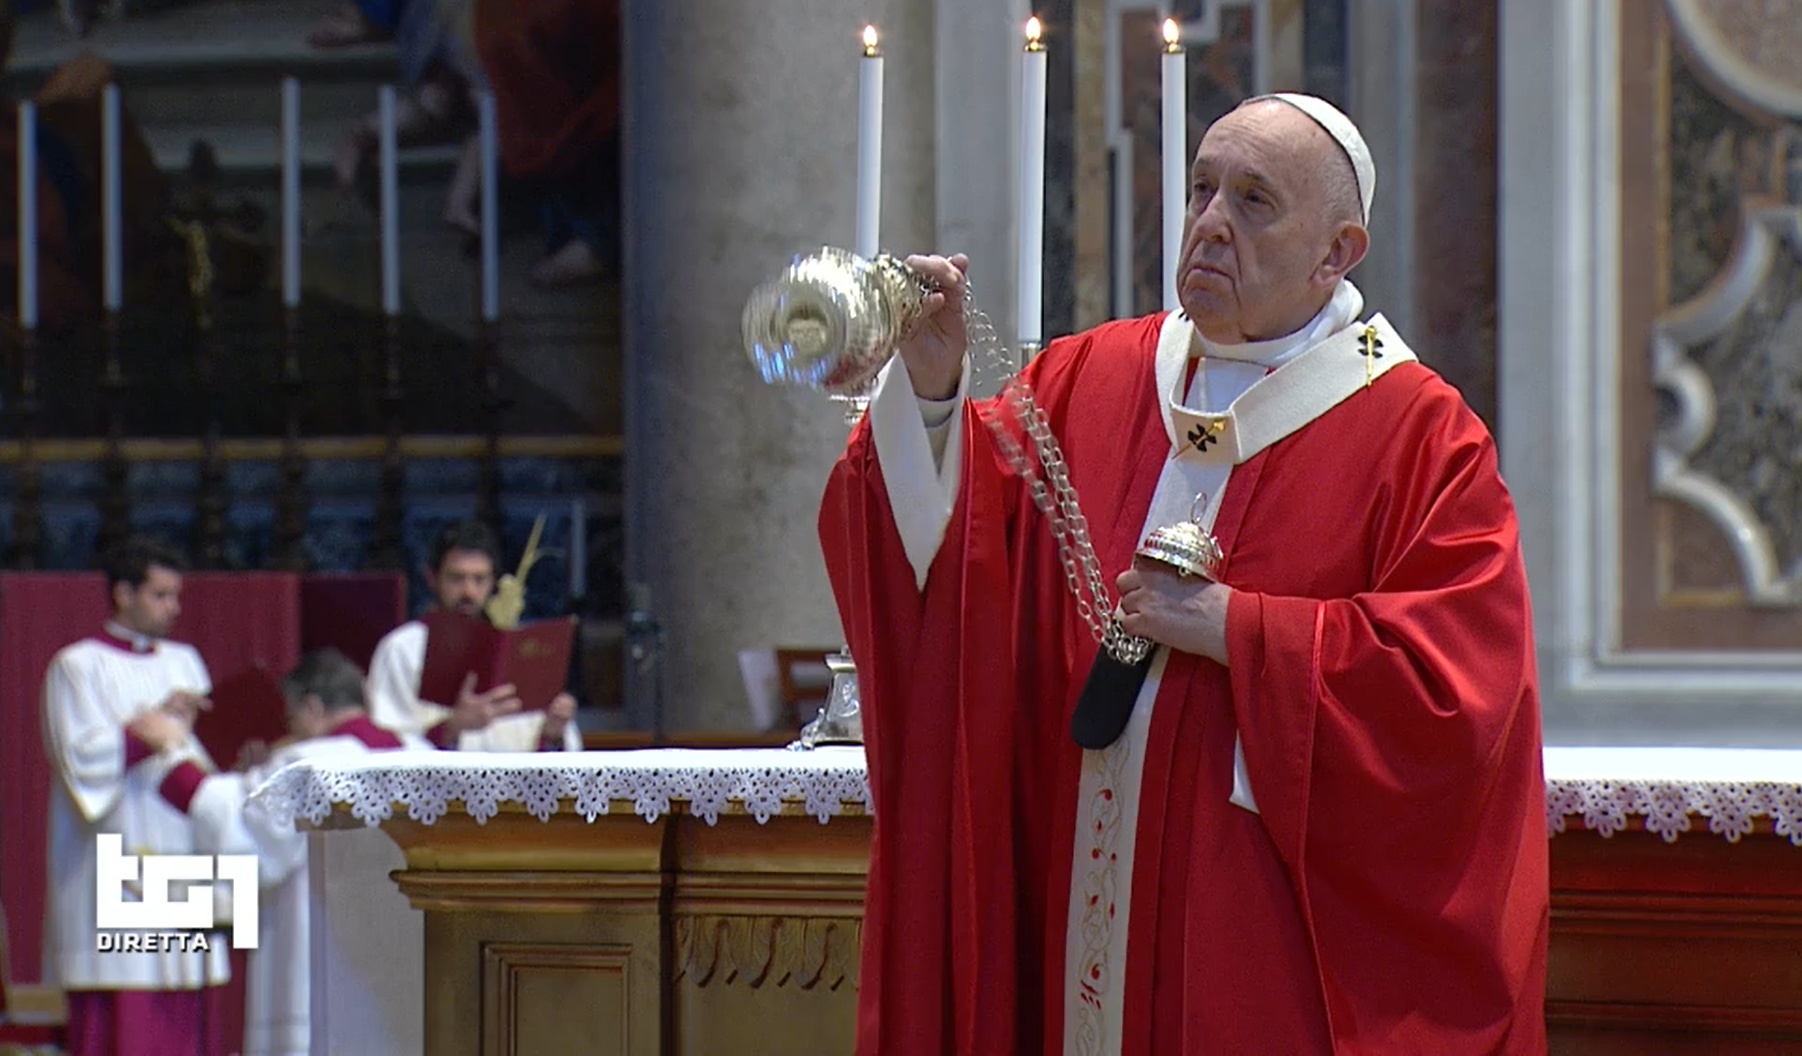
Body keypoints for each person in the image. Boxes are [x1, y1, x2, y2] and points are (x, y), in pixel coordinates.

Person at [818, 94, 1547, 1053]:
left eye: (1253, 201)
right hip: (1071, 888)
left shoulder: (1419, 436)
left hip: (1253, 942)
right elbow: (954, 564)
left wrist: (1238, 630)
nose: (1208, 223)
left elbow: (1457, 701)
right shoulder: (1094, 379)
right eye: (1203, 188)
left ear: (1338, 253)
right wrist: (933, 389)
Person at [159, 648, 427, 1056]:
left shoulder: (306, 764)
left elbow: (234, 823)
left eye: (291, 718)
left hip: (315, 969)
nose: (290, 731)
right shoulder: (420, 754)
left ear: (313, 708)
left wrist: (172, 750)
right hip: (401, 968)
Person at [40, 537, 229, 1054]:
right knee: (122, 1013)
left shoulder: (186, 661)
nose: (174, 608)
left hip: (181, 851)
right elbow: (78, 761)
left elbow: (202, 758)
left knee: (182, 999)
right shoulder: (77, 666)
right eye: (160, 595)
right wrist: (140, 732)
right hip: (113, 855)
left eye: (176, 596)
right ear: (123, 593)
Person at [366, 519, 581, 751]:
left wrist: (552, 733)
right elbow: (384, 748)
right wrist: (451, 728)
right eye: (456, 578)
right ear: (432, 578)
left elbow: (548, 752)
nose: (469, 591)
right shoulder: (402, 649)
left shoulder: (519, 649)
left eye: (479, 579)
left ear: (493, 583)